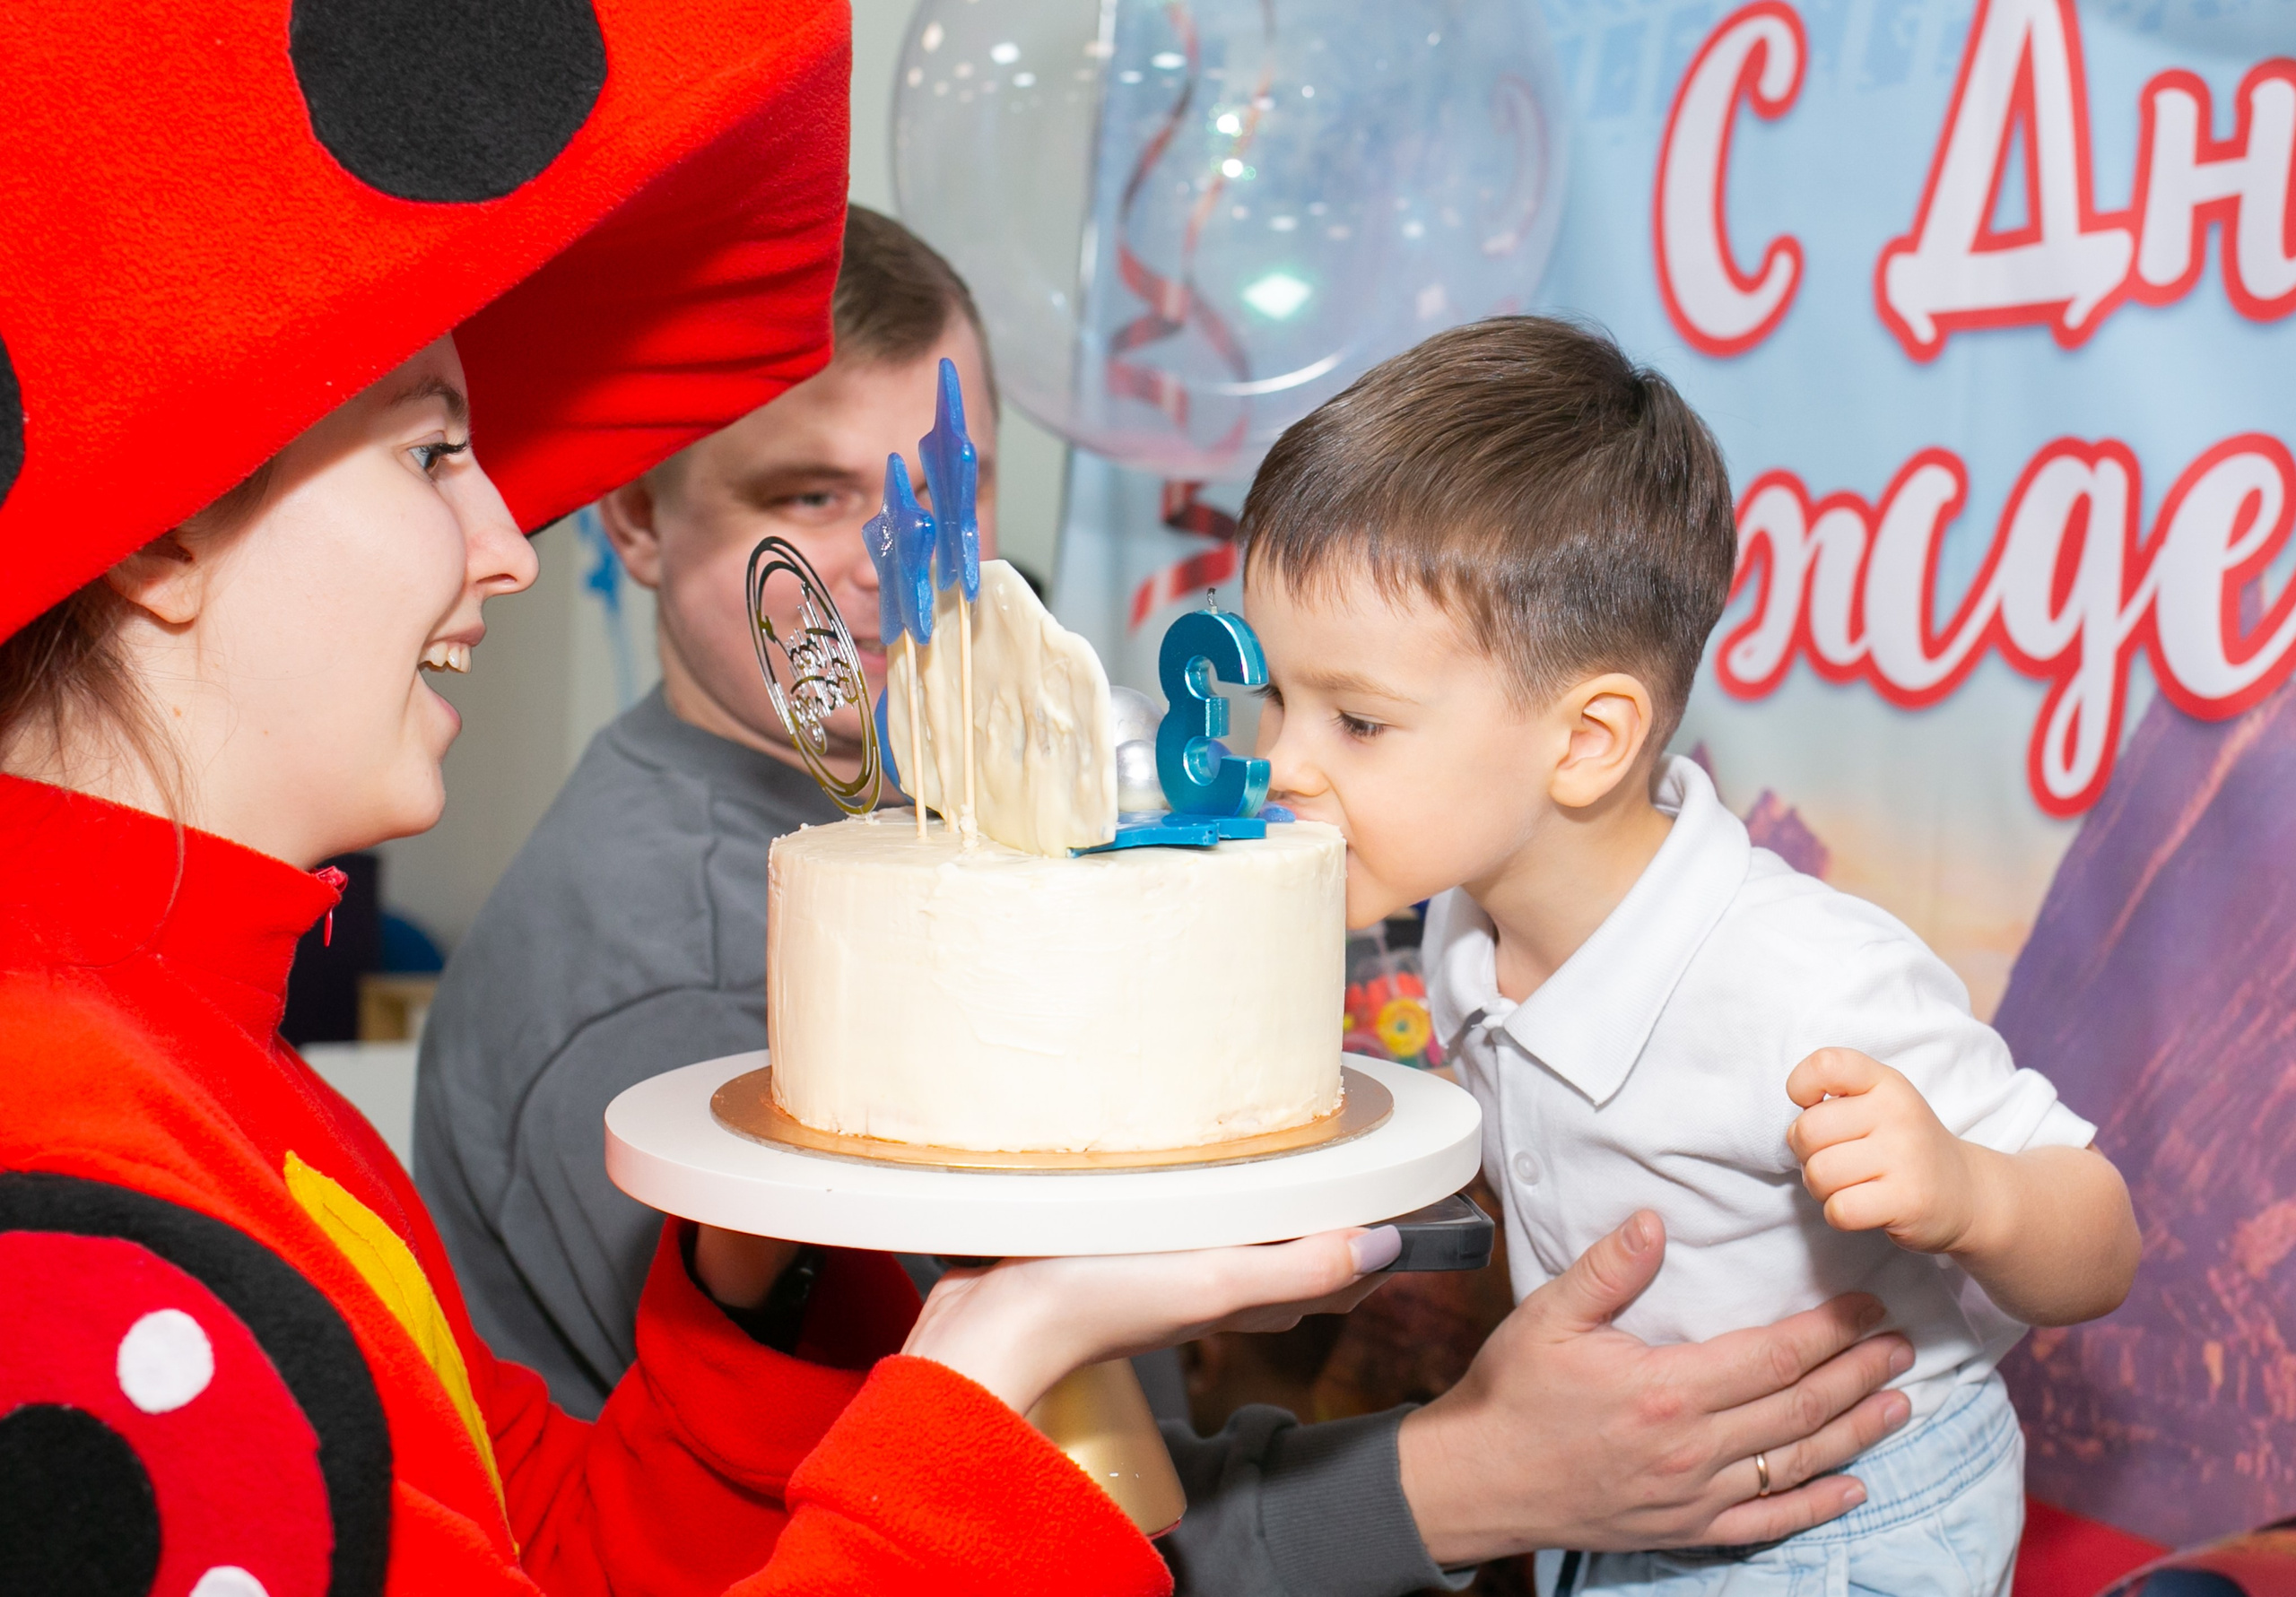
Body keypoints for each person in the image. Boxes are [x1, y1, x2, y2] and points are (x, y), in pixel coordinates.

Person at [0, 8, 1398, 1593]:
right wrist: (988, 1383)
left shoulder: (213, 1070)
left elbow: (542, 1546)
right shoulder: (70, 1177)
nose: (508, 548)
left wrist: (761, 1292)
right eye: (432, 452)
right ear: (163, 528)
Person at [418, 209, 1921, 1592]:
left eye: (940, 492)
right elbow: (879, 1512)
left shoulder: (970, 819)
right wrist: (1472, 1477)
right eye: (806, 496)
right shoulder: (661, 972)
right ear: (632, 523)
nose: (890, 569)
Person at [1239, 316, 2144, 1596]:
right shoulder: (1463, 922)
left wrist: (1971, 1189)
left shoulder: (1798, 983)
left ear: (1589, 739)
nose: (1280, 760)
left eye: (1358, 718)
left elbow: (2099, 1231)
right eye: (1275, 694)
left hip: (1848, 1522)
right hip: (1618, 1499)